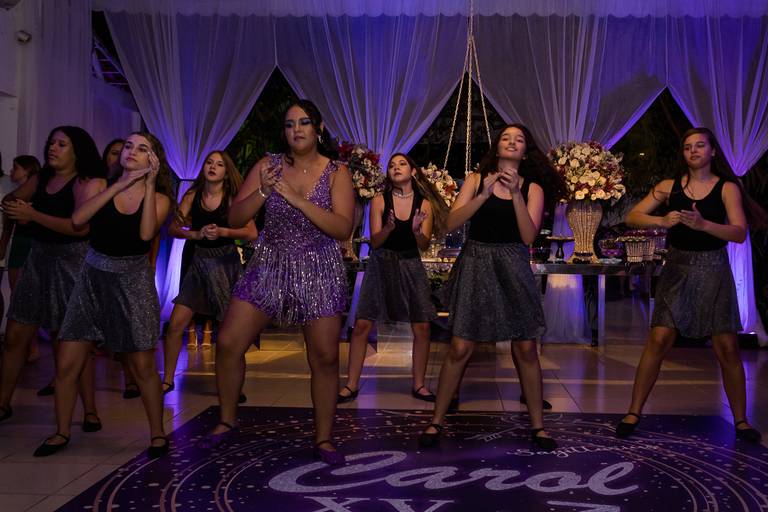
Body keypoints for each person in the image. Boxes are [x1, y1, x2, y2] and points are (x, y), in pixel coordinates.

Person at [202, 100, 354, 465]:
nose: (296, 129)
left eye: (304, 122)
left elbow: (342, 228)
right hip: (270, 263)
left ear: (318, 128)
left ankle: (324, 438)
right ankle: (227, 420)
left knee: (325, 357)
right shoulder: (267, 166)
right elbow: (234, 217)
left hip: (319, 267)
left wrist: (297, 200)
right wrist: (264, 192)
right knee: (228, 342)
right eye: (289, 124)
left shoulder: (337, 172)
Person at [417, 124, 566, 452]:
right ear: (497, 148)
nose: (512, 142)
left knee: (525, 348)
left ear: (524, 152)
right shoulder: (475, 180)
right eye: (506, 138)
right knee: (460, 347)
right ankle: (436, 420)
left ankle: (538, 426)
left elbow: (528, 236)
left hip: (513, 265)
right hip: (476, 262)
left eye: (519, 139)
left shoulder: (532, 188)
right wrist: (484, 194)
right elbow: (451, 223)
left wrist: (515, 194)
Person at [615, 127, 767, 444]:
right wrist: (661, 221)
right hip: (677, 270)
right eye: (687, 147)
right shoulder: (669, 187)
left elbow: (739, 233)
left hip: (714, 270)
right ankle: (633, 412)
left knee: (726, 346)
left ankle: (741, 421)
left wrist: (704, 224)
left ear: (712, 151)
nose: (693, 151)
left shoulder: (727, 188)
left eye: (699, 145)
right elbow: (633, 216)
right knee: (658, 339)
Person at [32, 132, 173, 457]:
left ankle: (157, 433)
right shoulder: (99, 185)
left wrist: (148, 184)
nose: (132, 152)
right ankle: (61, 432)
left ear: (153, 159)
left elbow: (146, 234)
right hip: (92, 277)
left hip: (132, 281)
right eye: (128, 146)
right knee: (67, 361)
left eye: (142, 149)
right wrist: (118, 185)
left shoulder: (160, 199)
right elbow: (78, 220)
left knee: (142, 366)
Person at [0, 127, 104, 426]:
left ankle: (90, 411)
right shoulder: (41, 177)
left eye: (62, 144)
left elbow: (79, 227)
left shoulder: (85, 182)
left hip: (72, 262)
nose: (53, 148)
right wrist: (19, 208)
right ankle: (3, 403)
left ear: (77, 150)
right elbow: (9, 201)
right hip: (38, 259)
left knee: (70, 342)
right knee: (16, 334)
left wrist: (33, 215)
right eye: (51, 143)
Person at [339, 153, 447, 404]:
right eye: (391, 165)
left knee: (422, 326)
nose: (396, 168)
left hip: (411, 264)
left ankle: (419, 384)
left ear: (413, 171)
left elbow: (423, 245)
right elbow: (375, 242)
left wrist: (417, 230)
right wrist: (388, 228)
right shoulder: (379, 200)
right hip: (381, 263)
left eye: (402, 164)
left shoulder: (424, 204)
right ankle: (351, 384)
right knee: (362, 324)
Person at [162, 150, 257, 392]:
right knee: (175, 324)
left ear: (226, 172)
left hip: (225, 264)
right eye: (209, 162)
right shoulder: (192, 195)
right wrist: (195, 234)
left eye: (219, 164)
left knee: (229, 331)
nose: (213, 167)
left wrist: (224, 232)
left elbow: (251, 232)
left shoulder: (231, 198)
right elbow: (173, 227)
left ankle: (232, 386)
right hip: (198, 262)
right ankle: (167, 380)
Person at [0, 155, 40, 362]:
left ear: (27, 171)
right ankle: (24, 346)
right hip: (18, 244)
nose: (12, 171)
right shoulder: (16, 194)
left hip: (30, 244)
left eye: (16, 167)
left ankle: (31, 347)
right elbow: (9, 224)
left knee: (26, 297)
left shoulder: (37, 194)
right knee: (17, 295)